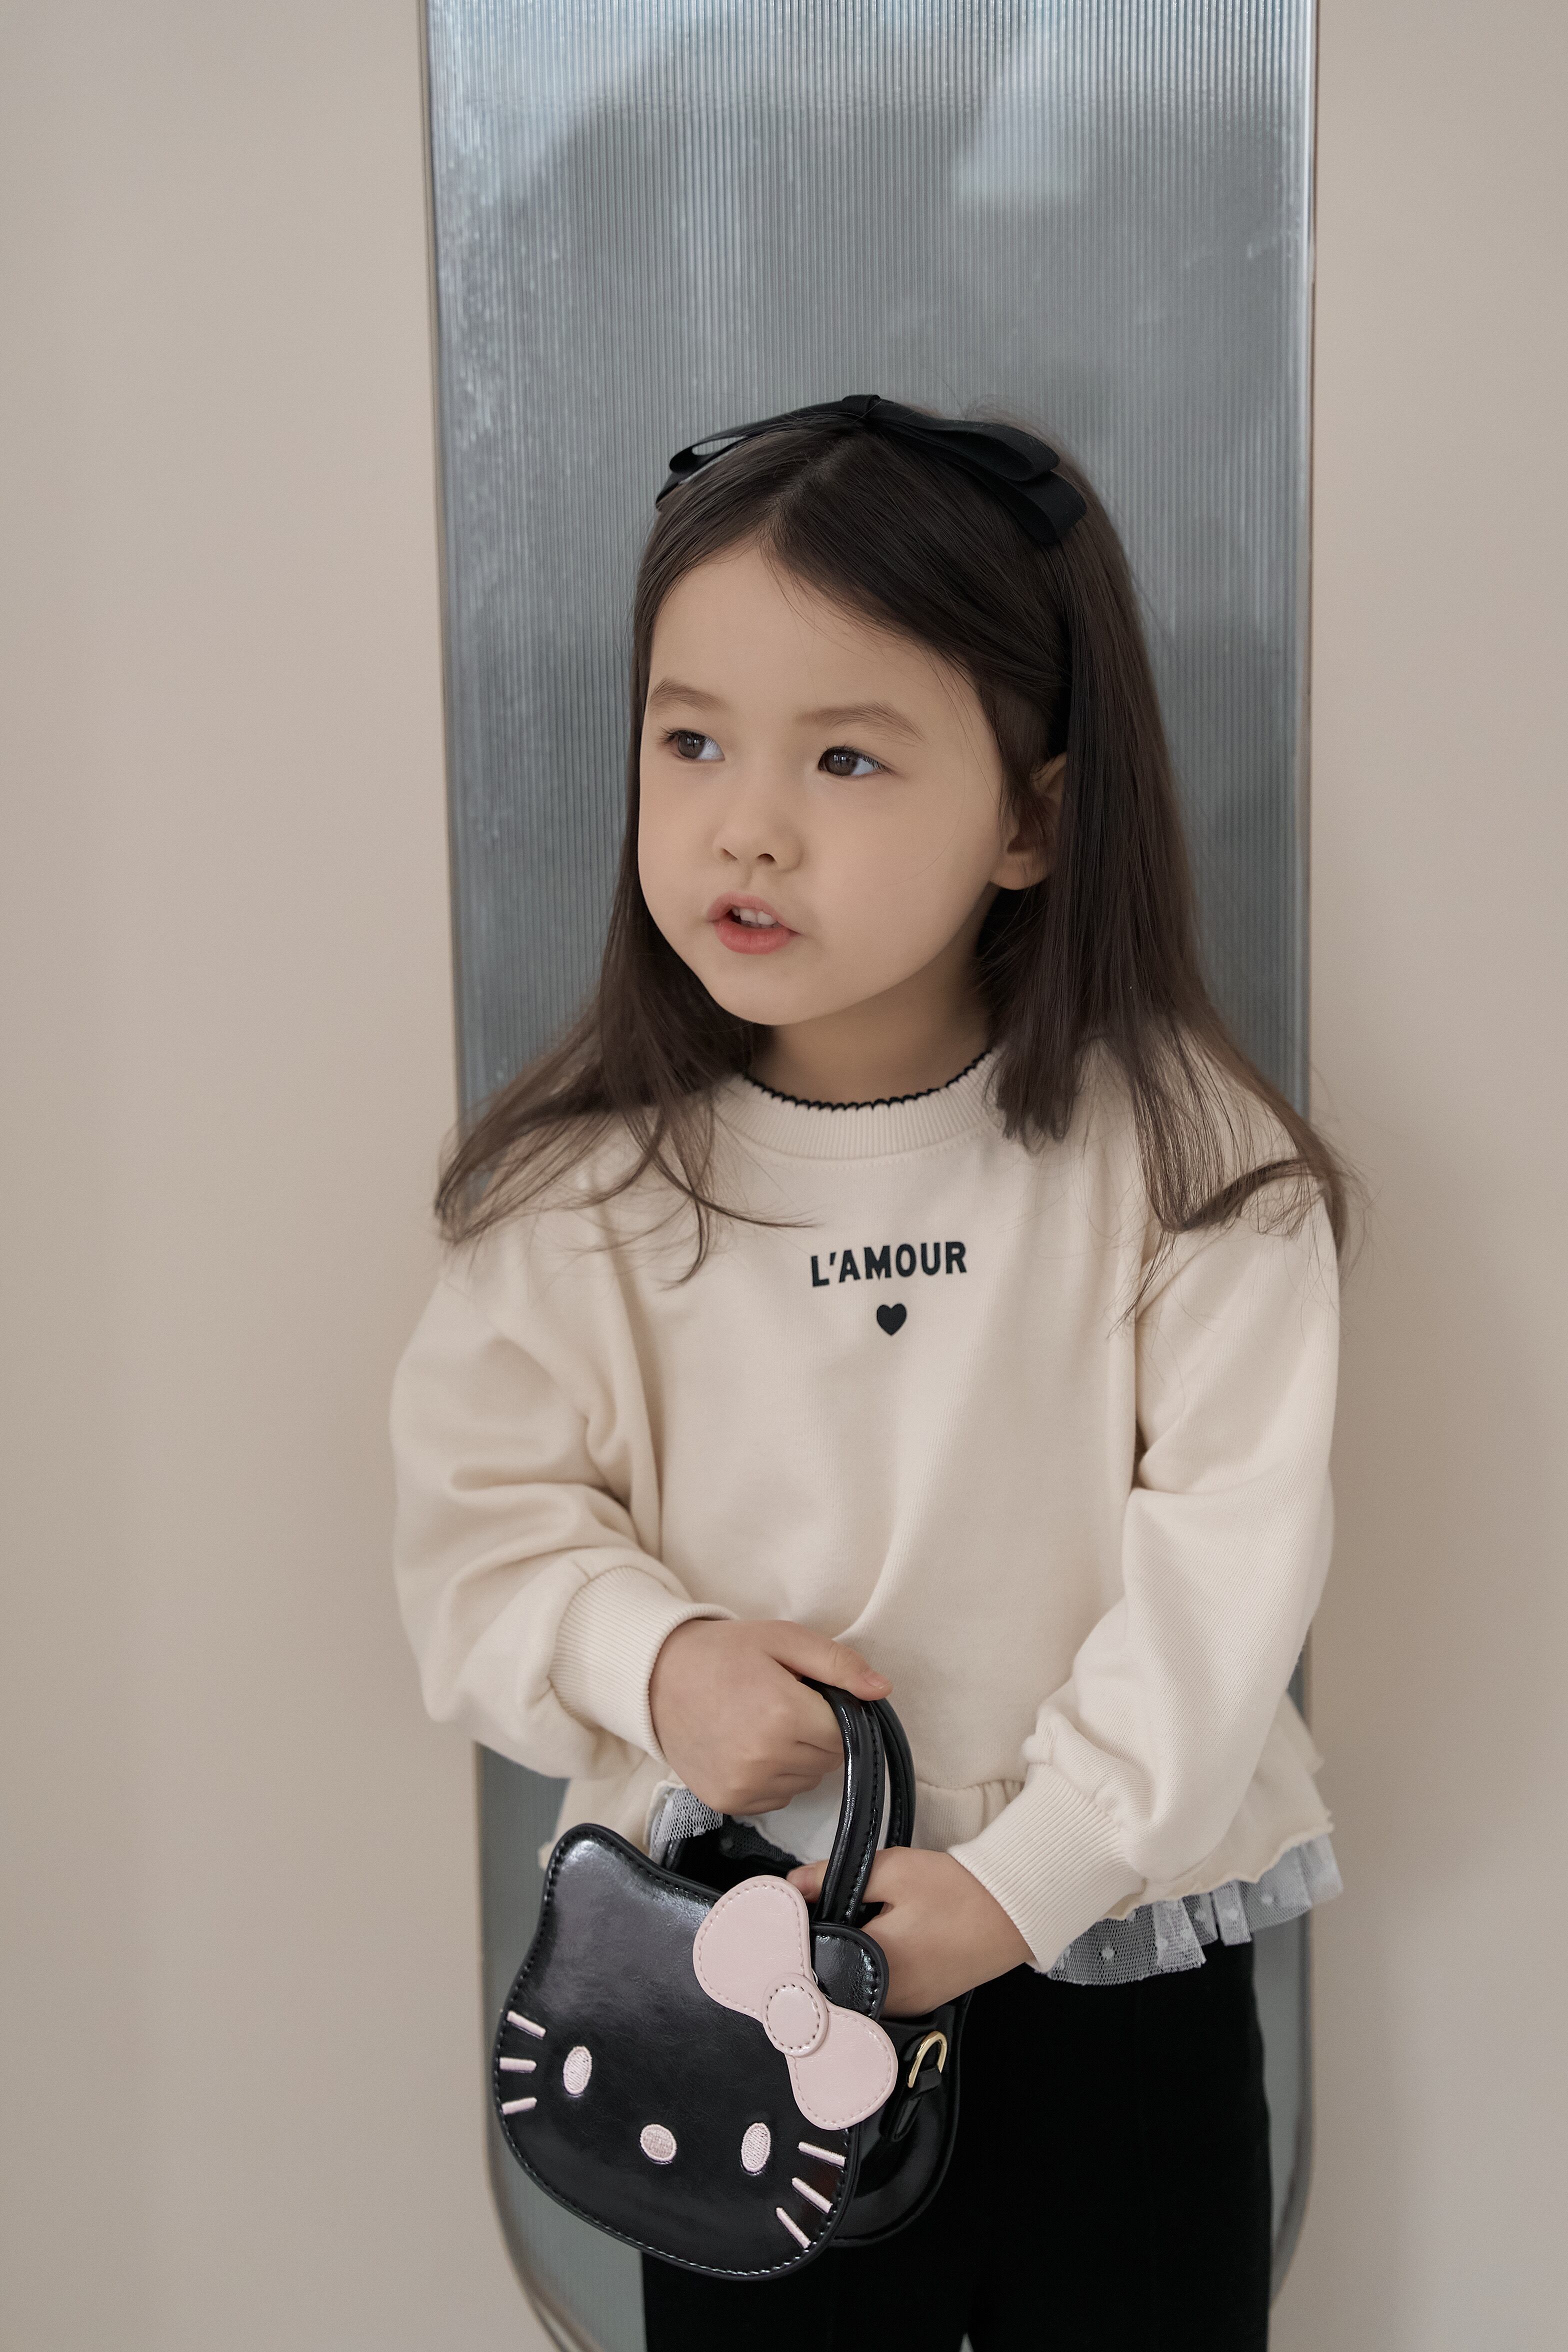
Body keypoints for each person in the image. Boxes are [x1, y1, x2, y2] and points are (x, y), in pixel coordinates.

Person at [389, 395, 1348, 2349]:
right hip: (739, 1969)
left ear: (1033, 819)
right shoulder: (580, 1206)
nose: (746, 823)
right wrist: (656, 1662)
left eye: (844, 755)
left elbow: (1226, 1580)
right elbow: (474, 1542)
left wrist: (1022, 1881)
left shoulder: (1187, 1166)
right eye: (690, 741)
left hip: (1107, 1960)